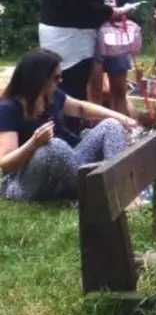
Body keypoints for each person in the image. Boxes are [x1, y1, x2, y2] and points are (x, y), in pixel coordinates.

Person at [0, 48, 137, 201]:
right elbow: (6, 163)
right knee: (53, 146)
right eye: (56, 77)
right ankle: (101, 188)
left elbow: (81, 108)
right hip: (22, 184)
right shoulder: (7, 109)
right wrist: (34, 143)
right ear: (40, 79)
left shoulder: (51, 96)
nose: (60, 81)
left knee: (111, 125)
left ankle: (118, 186)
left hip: (63, 174)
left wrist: (123, 119)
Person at [89, 0, 139, 116]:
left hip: (116, 32)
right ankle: (94, 130)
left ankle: (125, 132)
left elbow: (130, 0)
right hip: (91, 33)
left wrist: (123, 10)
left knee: (119, 89)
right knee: (94, 89)